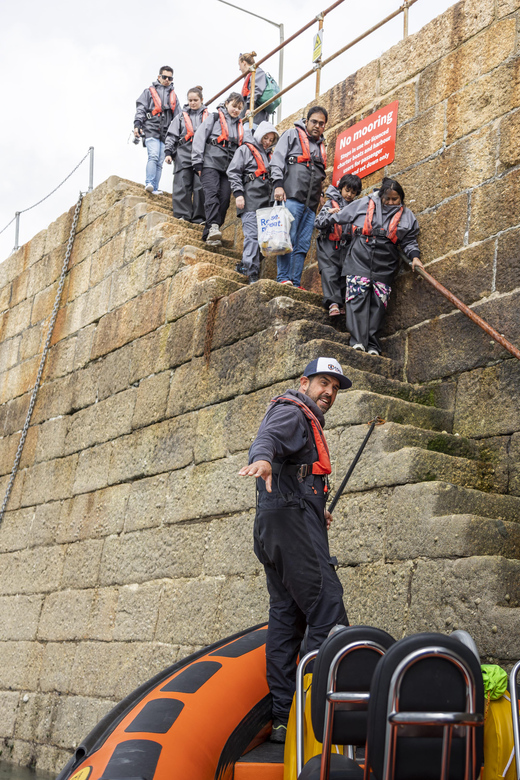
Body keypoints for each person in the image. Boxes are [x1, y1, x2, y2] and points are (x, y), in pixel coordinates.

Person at [239, 357, 351, 742]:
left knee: (286, 617)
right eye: (324, 383)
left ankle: (286, 718)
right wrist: (262, 460)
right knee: (328, 607)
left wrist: (317, 507)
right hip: (288, 524)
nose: (330, 393)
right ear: (304, 383)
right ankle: (316, 712)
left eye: (335, 388)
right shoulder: (292, 412)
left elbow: (297, 473)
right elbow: (268, 439)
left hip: (276, 523)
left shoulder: (302, 416)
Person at [332, 176, 424, 355]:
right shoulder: (365, 203)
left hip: (386, 259)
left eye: (394, 199)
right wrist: (328, 214)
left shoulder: (407, 216)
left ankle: (373, 344)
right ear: (381, 196)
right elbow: (342, 215)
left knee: (379, 301)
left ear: (401, 198)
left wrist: (415, 257)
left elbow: (409, 240)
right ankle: (357, 341)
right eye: (387, 198)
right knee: (356, 296)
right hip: (361, 253)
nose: (390, 202)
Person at [270, 106, 328, 288]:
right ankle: (283, 278)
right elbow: (277, 161)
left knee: (302, 244)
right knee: (287, 238)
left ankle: (295, 282)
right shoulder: (291, 134)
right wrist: (278, 185)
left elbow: (318, 174)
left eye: (321, 123)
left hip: (310, 203)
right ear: (306, 121)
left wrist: (321, 196)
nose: (317, 126)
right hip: (292, 197)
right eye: (314, 122)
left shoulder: (321, 147)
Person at [227, 121, 279, 283]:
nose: (268, 142)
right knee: (252, 236)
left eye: (271, 140)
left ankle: (245, 264)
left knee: (265, 240)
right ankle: (251, 272)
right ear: (259, 135)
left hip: (266, 203)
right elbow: (233, 172)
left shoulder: (271, 156)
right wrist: (238, 194)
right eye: (266, 138)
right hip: (249, 199)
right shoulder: (245, 150)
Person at [192, 92, 245, 245]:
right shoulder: (214, 118)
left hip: (228, 167)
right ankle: (213, 227)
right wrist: (197, 162)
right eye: (234, 106)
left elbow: (248, 146)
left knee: (225, 198)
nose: (236, 110)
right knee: (212, 193)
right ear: (227, 103)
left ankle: (211, 232)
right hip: (210, 162)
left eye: (239, 108)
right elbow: (199, 137)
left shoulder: (241, 126)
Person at [315, 174, 362, 317]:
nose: (349, 194)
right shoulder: (330, 204)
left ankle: (341, 303)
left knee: (344, 274)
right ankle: (333, 304)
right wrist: (330, 215)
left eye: (353, 192)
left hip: (346, 246)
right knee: (330, 272)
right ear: (341, 188)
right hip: (329, 245)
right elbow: (318, 222)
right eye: (347, 190)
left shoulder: (356, 207)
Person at [134, 66, 180, 195]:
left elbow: (179, 117)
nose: (167, 80)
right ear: (159, 77)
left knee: (160, 162)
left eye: (169, 78)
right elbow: (141, 108)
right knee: (153, 156)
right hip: (151, 129)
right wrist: (137, 124)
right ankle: (149, 182)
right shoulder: (148, 92)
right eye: (164, 77)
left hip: (165, 134)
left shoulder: (174, 97)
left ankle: (154, 188)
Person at [164, 86, 208, 223]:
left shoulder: (209, 117)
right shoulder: (180, 118)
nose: (193, 103)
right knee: (182, 185)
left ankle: (199, 217)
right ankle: (182, 215)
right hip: (183, 154)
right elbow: (171, 135)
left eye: (195, 100)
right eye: (190, 100)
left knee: (200, 186)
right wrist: (168, 152)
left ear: (201, 100)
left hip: (202, 155)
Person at [239, 52, 275, 126]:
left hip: (256, 118)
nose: (239, 68)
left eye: (239, 65)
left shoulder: (257, 72)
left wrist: (249, 108)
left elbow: (255, 90)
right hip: (248, 117)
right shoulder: (250, 75)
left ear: (244, 63)